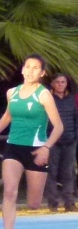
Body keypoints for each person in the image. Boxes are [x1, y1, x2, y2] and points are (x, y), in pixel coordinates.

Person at [0, 55, 64, 229]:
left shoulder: (44, 95)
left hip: (36, 151)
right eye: (28, 67)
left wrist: (46, 148)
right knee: (9, 192)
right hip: (13, 148)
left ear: (42, 73)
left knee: (33, 204)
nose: (30, 71)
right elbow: (8, 116)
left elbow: (59, 126)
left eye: (35, 68)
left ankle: (33, 205)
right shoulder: (12, 93)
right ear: (22, 69)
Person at [45, 73, 78, 212]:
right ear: (52, 84)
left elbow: (75, 118)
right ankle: (53, 203)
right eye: (57, 82)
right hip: (53, 142)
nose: (60, 85)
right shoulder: (48, 100)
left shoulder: (71, 100)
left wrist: (75, 137)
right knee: (51, 172)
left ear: (66, 84)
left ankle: (69, 203)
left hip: (70, 141)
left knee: (69, 173)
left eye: (63, 82)